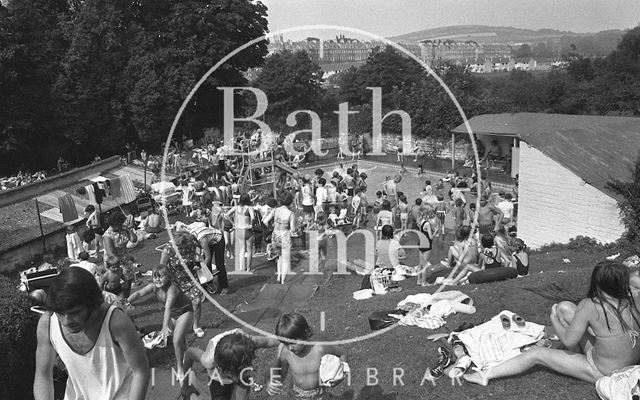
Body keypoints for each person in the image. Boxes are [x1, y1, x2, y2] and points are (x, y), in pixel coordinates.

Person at [464, 260, 640, 386]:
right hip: (626, 364)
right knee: (566, 308)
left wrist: (553, 319)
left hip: (604, 371)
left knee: (536, 354)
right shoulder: (631, 301)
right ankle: (570, 357)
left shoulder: (591, 305)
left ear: (598, 280)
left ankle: (485, 375)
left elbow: (569, 340)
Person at [33, 267, 149, 400]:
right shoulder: (47, 323)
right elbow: (43, 375)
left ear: (93, 305)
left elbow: (141, 371)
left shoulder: (116, 322)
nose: (66, 321)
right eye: (60, 313)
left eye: (75, 312)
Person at [128, 265, 194, 379]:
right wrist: (126, 301)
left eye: (161, 277)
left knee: (176, 340)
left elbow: (168, 307)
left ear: (168, 277)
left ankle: (180, 368)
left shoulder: (172, 289)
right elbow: (139, 293)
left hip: (185, 312)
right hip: (173, 314)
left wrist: (164, 326)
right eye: (155, 277)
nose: (157, 280)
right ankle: (186, 348)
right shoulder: (154, 287)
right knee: (179, 339)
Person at [181, 329, 280, 400]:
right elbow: (189, 353)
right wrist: (185, 384)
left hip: (238, 358)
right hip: (218, 377)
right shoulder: (208, 361)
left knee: (243, 392)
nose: (235, 378)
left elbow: (268, 341)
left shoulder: (250, 344)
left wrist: (291, 342)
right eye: (232, 375)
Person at [267, 313, 348, 399]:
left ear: (305, 333)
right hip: (299, 394)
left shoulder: (320, 349)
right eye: (286, 344)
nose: (290, 348)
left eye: (293, 343)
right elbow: (281, 375)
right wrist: (270, 382)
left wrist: (342, 373)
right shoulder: (286, 353)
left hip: (320, 391)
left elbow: (342, 353)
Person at [160, 231, 207, 338]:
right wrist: (165, 284)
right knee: (175, 307)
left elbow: (200, 256)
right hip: (175, 281)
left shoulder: (192, 245)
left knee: (197, 301)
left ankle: (196, 326)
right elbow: (162, 267)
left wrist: (198, 263)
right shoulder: (168, 249)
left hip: (191, 278)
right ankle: (171, 327)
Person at [263, 190, 296, 284]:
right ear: (290, 201)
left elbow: (265, 221)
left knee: (279, 257)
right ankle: (282, 280)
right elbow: (293, 230)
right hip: (285, 236)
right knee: (285, 259)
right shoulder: (291, 214)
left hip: (275, 236)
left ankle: (278, 276)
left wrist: (272, 227)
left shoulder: (275, 210)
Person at [226, 193, 255, 272]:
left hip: (239, 230)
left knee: (242, 249)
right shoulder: (249, 208)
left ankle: (241, 267)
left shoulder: (236, 207)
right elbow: (253, 218)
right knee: (249, 250)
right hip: (247, 230)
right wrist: (251, 225)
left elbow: (227, 215)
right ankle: (248, 268)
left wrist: (233, 223)